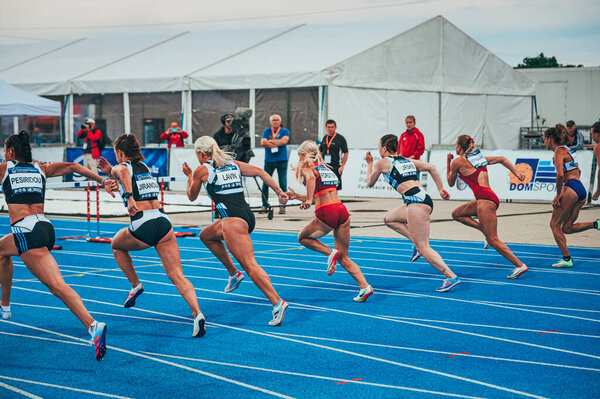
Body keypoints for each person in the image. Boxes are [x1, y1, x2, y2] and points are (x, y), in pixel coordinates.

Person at [0, 131, 116, 361]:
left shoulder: (4, 169)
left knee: (56, 286)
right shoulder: (40, 167)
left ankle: (93, 325)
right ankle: (5, 306)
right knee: (2, 251)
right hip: (45, 228)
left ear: (11, 152)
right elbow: (74, 166)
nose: (4, 154)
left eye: (5, 150)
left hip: (25, 231)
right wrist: (102, 181)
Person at [97, 133, 206, 337]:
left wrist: (128, 197)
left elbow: (123, 172)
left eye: (116, 154)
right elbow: (126, 175)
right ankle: (197, 313)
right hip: (163, 223)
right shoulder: (145, 168)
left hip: (143, 224)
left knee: (116, 244)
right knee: (177, 275)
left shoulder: (120, 167)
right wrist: (111, 176)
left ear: (120, 153)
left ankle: (135, 284)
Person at [183, 136, 290, 326]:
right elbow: (261, 172)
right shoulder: (233, 164)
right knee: (206, 236)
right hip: (246, 216)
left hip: (233, 221)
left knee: (250, 266)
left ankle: (277, 302)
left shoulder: (202, 170)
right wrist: (279, 191)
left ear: (200, 154)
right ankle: (233, 273)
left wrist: (189, 176)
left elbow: (191, 196)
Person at [366, 134, 460, 292]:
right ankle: (415, 243)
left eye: (379, 147)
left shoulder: (382, 162)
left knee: (424, 246)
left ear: (384, 148)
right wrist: (440, 188)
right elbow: (431, 167)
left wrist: (369, 164)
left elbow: (369, 183)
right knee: (389, 219)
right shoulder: (407, 160)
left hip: (416, 203)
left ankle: (450, 276)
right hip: (417, 200)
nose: (378, 150)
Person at [287, 140, 373, 302]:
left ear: (305, 154)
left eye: (299, 154)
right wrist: (298, 197)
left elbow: (311, 180)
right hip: (341, 211)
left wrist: (308, 201)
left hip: (327, 212)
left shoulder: (307, 168)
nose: (298, 158)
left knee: (303, 237)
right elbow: (320, 191)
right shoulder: (325, 168)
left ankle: (330, 253)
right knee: (344, 257)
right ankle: (364, 286)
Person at [446, 135, 529, 279]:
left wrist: (448, 162)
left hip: (485, 200)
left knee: (493, 240)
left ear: (459, 147)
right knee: (456, 213)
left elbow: (450, 183)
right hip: (485, 197)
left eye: (456, 145)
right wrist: (516, 173)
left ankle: (519, 265)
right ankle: (483, 229)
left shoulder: (457, 162)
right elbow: (502, 159)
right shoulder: (480, 159)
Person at [544, 124, 599, 268]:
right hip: (579, 189)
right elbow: (578, 171)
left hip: (571, 189)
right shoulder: (569, 150)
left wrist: (558, 194)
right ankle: (596, 224)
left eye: (544, 139)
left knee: (554, 224)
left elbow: (560, 175)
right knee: (567, 227)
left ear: (550, 139)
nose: (544, 142)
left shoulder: (558, 152)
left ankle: (567, 259)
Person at [260, 114, 289, 214]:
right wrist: (278, 142)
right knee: (265, 183)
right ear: (270, 122)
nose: (275, 122)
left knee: (282, 183)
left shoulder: (285, 131)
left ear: (280, 122)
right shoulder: (267, 131)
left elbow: (284, 142)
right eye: (273, 120)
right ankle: (264, 205)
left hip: (282, 160)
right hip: (269, 160)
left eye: (277, 120)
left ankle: (283, 205)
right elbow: (263, 143)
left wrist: (271, 141)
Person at [318, 119, 348, 190]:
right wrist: (320, 163)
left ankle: (334, 199)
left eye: (332, 127)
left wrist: (342, 166)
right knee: (324, 186)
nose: (330, 129)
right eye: (329, 127)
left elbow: (345, 152)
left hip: (335, 166)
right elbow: (321, 151)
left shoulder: (340, 138)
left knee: (335, 186)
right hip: (325, 166)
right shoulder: (325, 138)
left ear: (335, 127)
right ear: (326, 128)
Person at [592, 122, 600, 201]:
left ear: (597, 134)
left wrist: (598, 190)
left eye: (592, 134)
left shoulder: (598, 147)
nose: (592, 136)